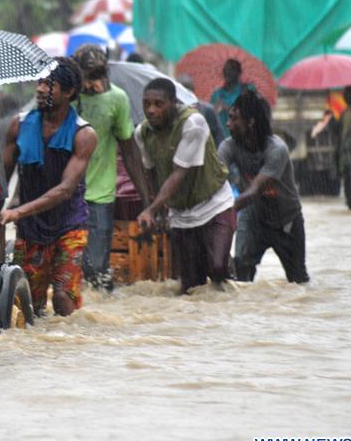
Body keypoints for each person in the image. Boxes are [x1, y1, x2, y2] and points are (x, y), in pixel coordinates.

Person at [1, 58, 97, 316]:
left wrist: (18, 212)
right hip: (31, 227)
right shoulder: (18, 125)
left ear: (69, 92)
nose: (41, 89)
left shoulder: (83, 134)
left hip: (70, 224)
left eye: (49, 84)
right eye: (40, 82)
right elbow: (1, 178)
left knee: (64, 296)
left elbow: (66, 189)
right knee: (29, 304)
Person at [135, 77, 235, 293]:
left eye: (158, 104)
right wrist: (158, 210)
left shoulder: (193, 123)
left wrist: (151, 210)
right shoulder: (142, 133)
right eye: (146, 104)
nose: (151, 110)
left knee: (217, 269)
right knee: (191, 288)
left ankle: (228, 271)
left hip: (214, 204)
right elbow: (151, 173)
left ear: (173, 103)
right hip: (181, 214)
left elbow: (178, 173)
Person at [72, 45, 149, 291]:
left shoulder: (117, 98)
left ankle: (103, 312)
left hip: (100, 195)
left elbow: (129, 149)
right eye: (90, 77)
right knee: (70, 269)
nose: (96, 83)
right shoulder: (66, 98)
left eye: (100, 75)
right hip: (66, 193)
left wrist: (146, 197)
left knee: (96, 267)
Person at [218, 90, 309, 283]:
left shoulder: (276, 149)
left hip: (287, 221)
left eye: (234, 119)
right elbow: (215, 179)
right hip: (254, 217)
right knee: (241, 273)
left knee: (298, 280)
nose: (228, 124)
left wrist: (224, 211)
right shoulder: (229, 146)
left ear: (250, 122)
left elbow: (254, 191)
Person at [210, 58, 255, 139]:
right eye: (225, 69)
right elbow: (212, 117)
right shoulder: (217, 94)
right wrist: (214, 110)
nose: (228, 72)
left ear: (239, 72)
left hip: (242, 138)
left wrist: (228, 108)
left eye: (231, 69)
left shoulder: (246, 90)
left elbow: (251, 113)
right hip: (221, 139)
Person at [178, 74, 226, 147]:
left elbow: (218, 137)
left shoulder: (207, 110)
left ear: (193, 90)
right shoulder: (173, 112)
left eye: (188, 90)